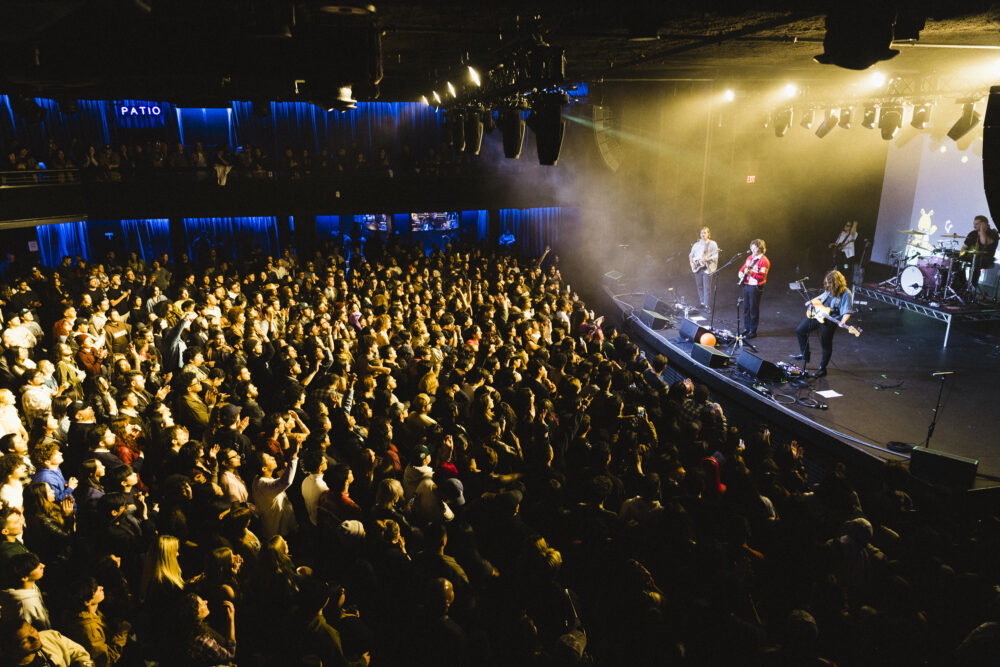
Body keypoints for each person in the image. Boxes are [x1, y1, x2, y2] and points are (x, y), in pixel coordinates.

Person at [791, 270, 854, 378]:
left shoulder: (846, 294)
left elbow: (847, 311)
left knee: (826, 344)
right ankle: (805, 355)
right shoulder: (829, 288)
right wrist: (812, 301)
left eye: (830, 284)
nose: (828, 286)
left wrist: (843, 321)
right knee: (800, 330)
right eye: (827, 283)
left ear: (837, 283)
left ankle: (822, 368)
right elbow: (823, 295)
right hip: (819, 315)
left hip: (830, 320)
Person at [736, 239, 769, 339]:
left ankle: (753, 331)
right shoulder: (749, 258)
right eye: (752, 248)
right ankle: (746, 328)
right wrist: (740, 273)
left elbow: (762, 277)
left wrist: (751, 273)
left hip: (755, 287)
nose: (753, 250)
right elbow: (743, 268)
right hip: (746, 285)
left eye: (755, 248)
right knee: (746, 308)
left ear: (760, 249)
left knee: (753, 309)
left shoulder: (764, 261)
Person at [958, 214, 999, 293]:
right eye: (974, 224)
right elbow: (964, 246)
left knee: (977, 261)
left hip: (985, 258)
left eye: (977, 224)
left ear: (984, 224)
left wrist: (982, 230)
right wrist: (960, 255)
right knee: (955, 260)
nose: (974, 226)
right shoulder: (973, 233)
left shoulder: (993, 233)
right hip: (972, 256)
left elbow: (984, 242)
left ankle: (972, 286)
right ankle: (961, 285)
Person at [689, 226, 719, 310]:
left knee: (707, 288)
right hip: (697, 267)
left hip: (707, 268)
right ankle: (702, 303)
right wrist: (692, 263)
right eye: (701, 233)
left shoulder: (712, 243)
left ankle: (706, 305)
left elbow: (715, 256)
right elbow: (691, 255)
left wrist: (707, 259)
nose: (703, 234)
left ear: (708, 234)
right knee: (699, 287)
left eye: (705, 232)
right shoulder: (696, 244)